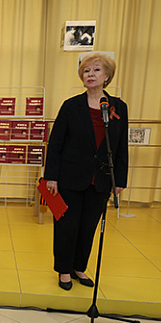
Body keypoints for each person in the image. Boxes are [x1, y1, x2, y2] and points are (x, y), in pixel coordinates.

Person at [43, 53, 128, 290]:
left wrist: (119, 179)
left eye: (96, 70)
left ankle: (80, 267)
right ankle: (63, 270)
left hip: (100, 180)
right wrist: (52, 176)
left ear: (107, 76)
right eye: (87, 71)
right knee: (66, 226)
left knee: (89, 226)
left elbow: (121, 147)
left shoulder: (118, 107)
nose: (90, 74)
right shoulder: (71, 106)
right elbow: (56, 143)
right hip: (70, 178)